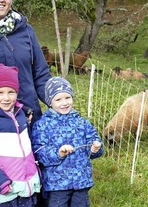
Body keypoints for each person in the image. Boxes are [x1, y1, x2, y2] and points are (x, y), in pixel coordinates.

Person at [31, 77, 103, 207]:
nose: (64, 103)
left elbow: (94, 143)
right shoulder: (42, 125)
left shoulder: (82, 122)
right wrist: (58, 153)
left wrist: (94, 149)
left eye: (67, 98)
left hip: (81, 181)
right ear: (49, 102)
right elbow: (39, 152)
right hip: (57, 183)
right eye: (58, 99)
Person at [0, 63, 41, 206]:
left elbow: (27, 148)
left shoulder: (21, 115)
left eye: (11, 92)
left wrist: (36, 174)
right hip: (4, 190)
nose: (6, 98)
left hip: (27, 186)